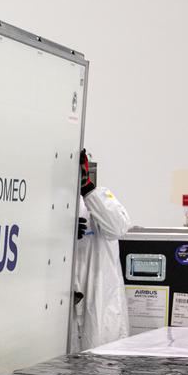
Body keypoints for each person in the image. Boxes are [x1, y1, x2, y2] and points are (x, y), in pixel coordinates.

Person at [72, 149, 132, 352]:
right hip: (66, 311)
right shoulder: (50, 204)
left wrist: (87, 188)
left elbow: (118, 227)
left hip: (99, 308)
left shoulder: (99, 198)